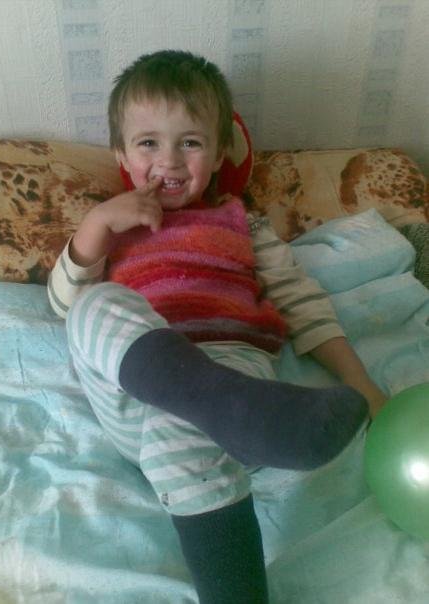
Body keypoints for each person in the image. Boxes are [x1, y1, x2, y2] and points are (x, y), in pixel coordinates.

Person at [48, 50, 386, 604]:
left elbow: (302, 304)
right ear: (122, 155)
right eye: (148, 142)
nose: (170, 160)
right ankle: (216, 405)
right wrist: (95, 224)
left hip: (230, 371)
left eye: (190, 142)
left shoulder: (240, 222)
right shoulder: (111, 223)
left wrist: (361, 382)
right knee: (94, 304)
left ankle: (230, 414)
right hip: (131, 394)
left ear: (222, 149)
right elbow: (62, 303)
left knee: (181, 431)